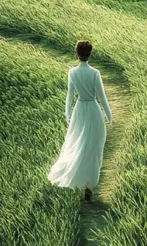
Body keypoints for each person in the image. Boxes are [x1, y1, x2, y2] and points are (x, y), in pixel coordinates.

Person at [47, 39, 113, 201]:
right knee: (93, 149)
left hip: (79, 111)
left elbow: (70, 96)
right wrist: (109, 116)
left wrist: (67, 113)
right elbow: (102, 98)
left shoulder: (72, 72)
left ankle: (79, 179)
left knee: (78, 145)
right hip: (93, 111)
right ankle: (89, 186)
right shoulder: (95, 73)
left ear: (76, 53)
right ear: (90, 53)